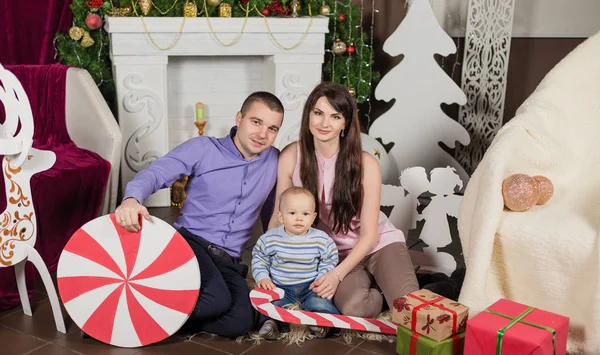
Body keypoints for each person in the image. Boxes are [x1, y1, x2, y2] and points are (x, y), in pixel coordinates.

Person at [115, 91, 284, 338]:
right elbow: (157, 173)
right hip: (189, 243)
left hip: (229, 259)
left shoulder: (275, 161)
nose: (262, 134)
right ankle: (130, 311)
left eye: (272, 128)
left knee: (240, 321)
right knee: (216, 299)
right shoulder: (203, 148)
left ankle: (164, 314)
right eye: (256, 122)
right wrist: (131, 198)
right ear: (239, 118)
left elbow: (275, 210)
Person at [270, 82, 419, 318]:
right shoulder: (291, 156)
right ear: (308, 115)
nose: (324, 123)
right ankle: (377, 287)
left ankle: (395, 277)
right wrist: (270, 260)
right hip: (332, 254)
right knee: (354, 308)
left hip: (377, 245)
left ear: (345, 123)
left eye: (335, 116)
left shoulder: (365, 163)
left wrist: (337, 276)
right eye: (318, 113)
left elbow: (369, 235)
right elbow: (278, 218)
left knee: (411, 310)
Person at [252, 187, 339, 340]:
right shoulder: (270, 238)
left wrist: (321, 277)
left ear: (313, 217)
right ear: (281, 216)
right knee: (270, 305)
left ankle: (321, 324)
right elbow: (260, 258)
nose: (299, 218)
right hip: (280, 287)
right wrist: (262, 277)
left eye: (305, 214)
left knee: (320, 304)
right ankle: (271, 324)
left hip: (310, 287)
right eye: (292, 213)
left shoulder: (321, 239)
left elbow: (329, 258)